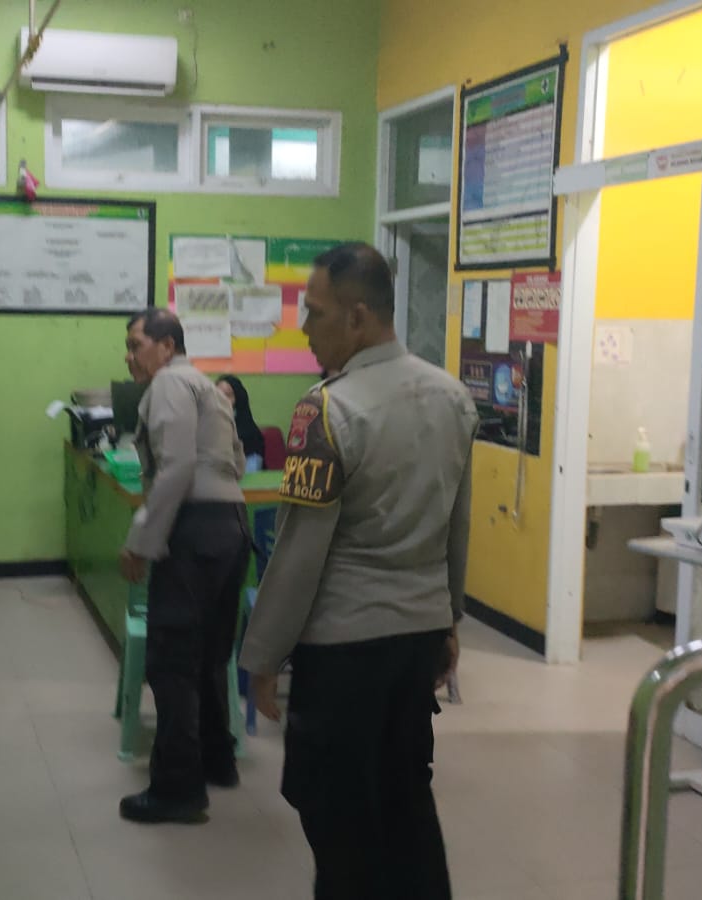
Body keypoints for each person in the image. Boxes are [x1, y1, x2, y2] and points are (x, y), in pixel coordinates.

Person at [240, 242, 477, 899]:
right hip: (415, 643)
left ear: (358, 317)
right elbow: (456, 526)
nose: (304, 329)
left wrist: (262, 656)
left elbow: (299, 550)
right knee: (407, 803)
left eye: (315, 313)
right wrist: (449, 620)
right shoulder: (453, 397)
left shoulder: (325, 410)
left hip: (345, 650)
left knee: (339, 821)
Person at [118, 308, 251, 825]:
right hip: (231, 525)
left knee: (172, 661)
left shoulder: (170, 384)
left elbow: (176, 466)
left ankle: (178, 790)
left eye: (136, 345)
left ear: (167, 347)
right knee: (210, 655)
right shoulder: (207, 388)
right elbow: (236, 461)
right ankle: (218, 760)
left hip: (194, 529)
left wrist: (141, 541)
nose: (129, 357)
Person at [216, 374, 267, 473]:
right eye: (217, 395)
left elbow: (250, 472)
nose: (222, 400)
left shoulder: (250, 434)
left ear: (238, 399)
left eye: (227, 395)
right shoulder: (206, 425)